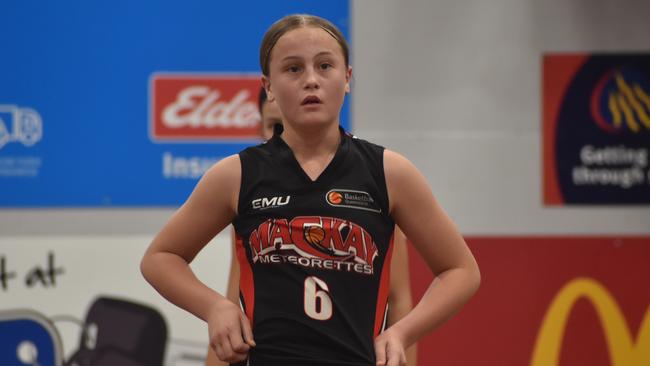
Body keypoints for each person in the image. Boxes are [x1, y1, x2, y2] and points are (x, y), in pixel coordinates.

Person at [141, 14, 480, 366]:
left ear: (347, 79)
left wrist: (401, 333)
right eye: (293, 69)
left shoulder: (388, 172)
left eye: (325, 65)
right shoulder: (237, 174)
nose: (311, 80)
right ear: (268, 87)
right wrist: (214, 307)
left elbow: (461, 270)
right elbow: (161, 257)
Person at [204, 88, 418, 366]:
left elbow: (399, 299)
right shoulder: (251, 193)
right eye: (274, 127)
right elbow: (235, 300)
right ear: (259, 127)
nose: (284, 134)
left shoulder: (373, 189)